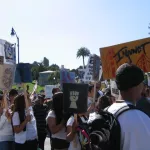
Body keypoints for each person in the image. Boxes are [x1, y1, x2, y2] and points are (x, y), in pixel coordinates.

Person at [107, 63, 150, 150]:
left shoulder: (106, 111)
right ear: (135, 86)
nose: (144, 87)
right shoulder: (142, 119)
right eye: (142, 83)